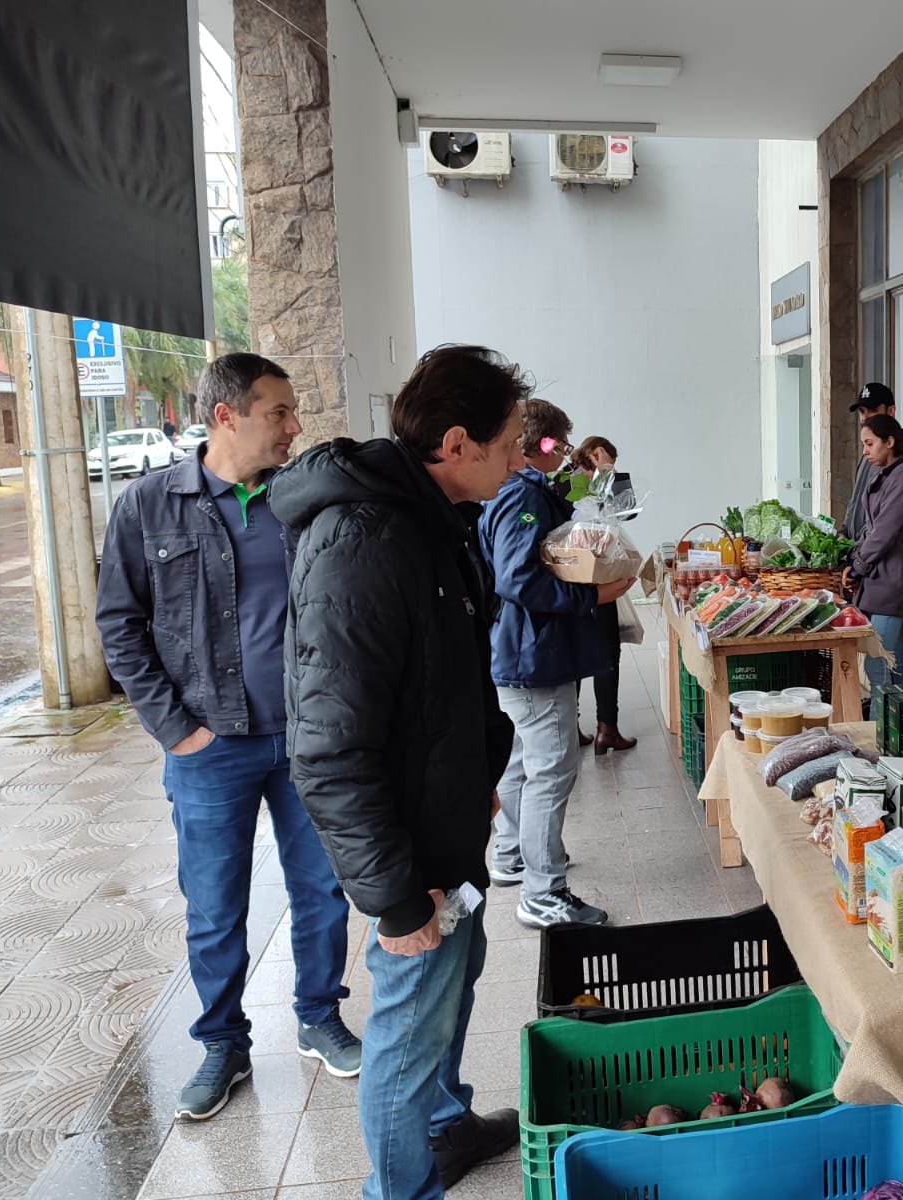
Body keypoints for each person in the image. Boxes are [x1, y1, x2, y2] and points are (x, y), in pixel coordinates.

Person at [269, 345, 528, 1198]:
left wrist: (474, 774)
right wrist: (394, 900)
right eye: (511, 442)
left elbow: (440, 683)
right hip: (409, 856)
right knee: (407, 1028)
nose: (521, 458)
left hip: (447, 820)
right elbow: (329, 750)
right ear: (458, 444)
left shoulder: (432, 518)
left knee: (455, 990)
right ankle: (402, 1188)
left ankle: (446, 1126)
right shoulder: (365, 541)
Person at [95, 353, 359, 1122]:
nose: (295, 426)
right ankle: (222, 1044)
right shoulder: (148, 505)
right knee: (214, 906)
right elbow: (120, 623)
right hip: (213, 750)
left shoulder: (303, 498)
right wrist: (177, 731)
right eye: (279, 412)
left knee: (323, 889)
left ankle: (318, 1016)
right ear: (227, 416)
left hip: (310, 738)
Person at [481, 399, 635, 926]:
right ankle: (542, 891)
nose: (566, 451)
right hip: (533, 656)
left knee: (523, 761)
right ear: (541, 443)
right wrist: (593, 596)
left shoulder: (521, 492)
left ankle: (510, 856)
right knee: (552, 770)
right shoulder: (521, 498)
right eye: (560, 442)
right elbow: (517, 579)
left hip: (524, 651)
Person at [843, 414, 903, 692]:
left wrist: (857, 566)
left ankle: (879, 731)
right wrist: (854, 565)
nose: (865, 451)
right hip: (880, 579)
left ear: (889, 441)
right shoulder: (887, 473)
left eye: (870, 443)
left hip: (893, 580)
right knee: (897, 664)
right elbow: (872, 530)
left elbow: (883, 532)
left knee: (879, 665)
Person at [569, 435, 638, 753]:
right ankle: (600, 728)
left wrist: (610, 474)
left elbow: (629, 512)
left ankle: (601, 728)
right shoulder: (565, 482)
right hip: (584, 581)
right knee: (602, 655)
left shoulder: (609, 481)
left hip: (593, 578)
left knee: (595, 653)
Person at [840, 382, 896, 541]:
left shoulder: (901, 458)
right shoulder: (868, 453)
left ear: (891, 411)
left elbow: (885, 527)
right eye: (862, 411)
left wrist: (860, 559)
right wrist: (845, 532)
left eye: (873, 410)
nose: (865, 417)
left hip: (879, 560)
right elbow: (856, 498)